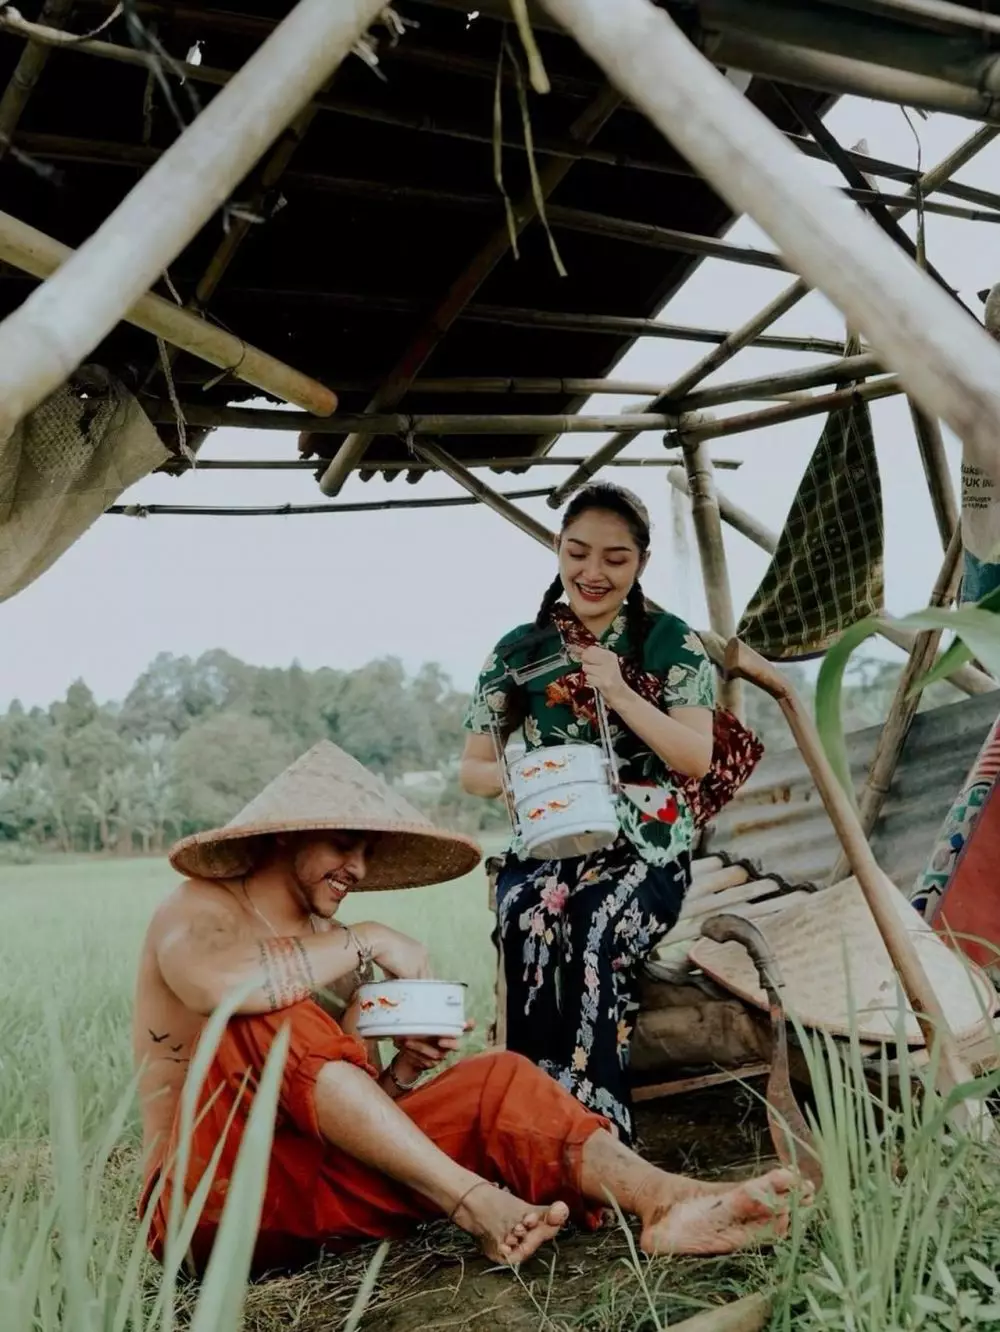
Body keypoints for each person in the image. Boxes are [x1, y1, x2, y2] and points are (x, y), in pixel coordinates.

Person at [135, 740, 802, 1277]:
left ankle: (669, 1202)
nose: (359, 870)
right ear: (287, 837)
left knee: (499, 1077)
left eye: (368, 852)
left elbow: (349, 1117)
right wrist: (366, 937)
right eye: (344, 845)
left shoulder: (332, 950)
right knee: (264, 1011)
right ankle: (473, 1201)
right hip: (204, 1202)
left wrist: (398, 1075)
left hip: (305, 1197)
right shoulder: (201, 908)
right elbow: (219, 987)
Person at [461, 482, 741, 1144]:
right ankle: (527, 1122)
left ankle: (594, 1132)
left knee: (595, 925)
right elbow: (471, 767)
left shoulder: (672, 644)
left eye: (614, 559)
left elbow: (696, 758)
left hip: (648, 854)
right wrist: (515, 777)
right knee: (526, 921)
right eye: (578, 552)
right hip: (551, 844)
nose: (592, 573)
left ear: (640, 564)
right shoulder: (519, 650)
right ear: (558, 549)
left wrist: (617, 690)